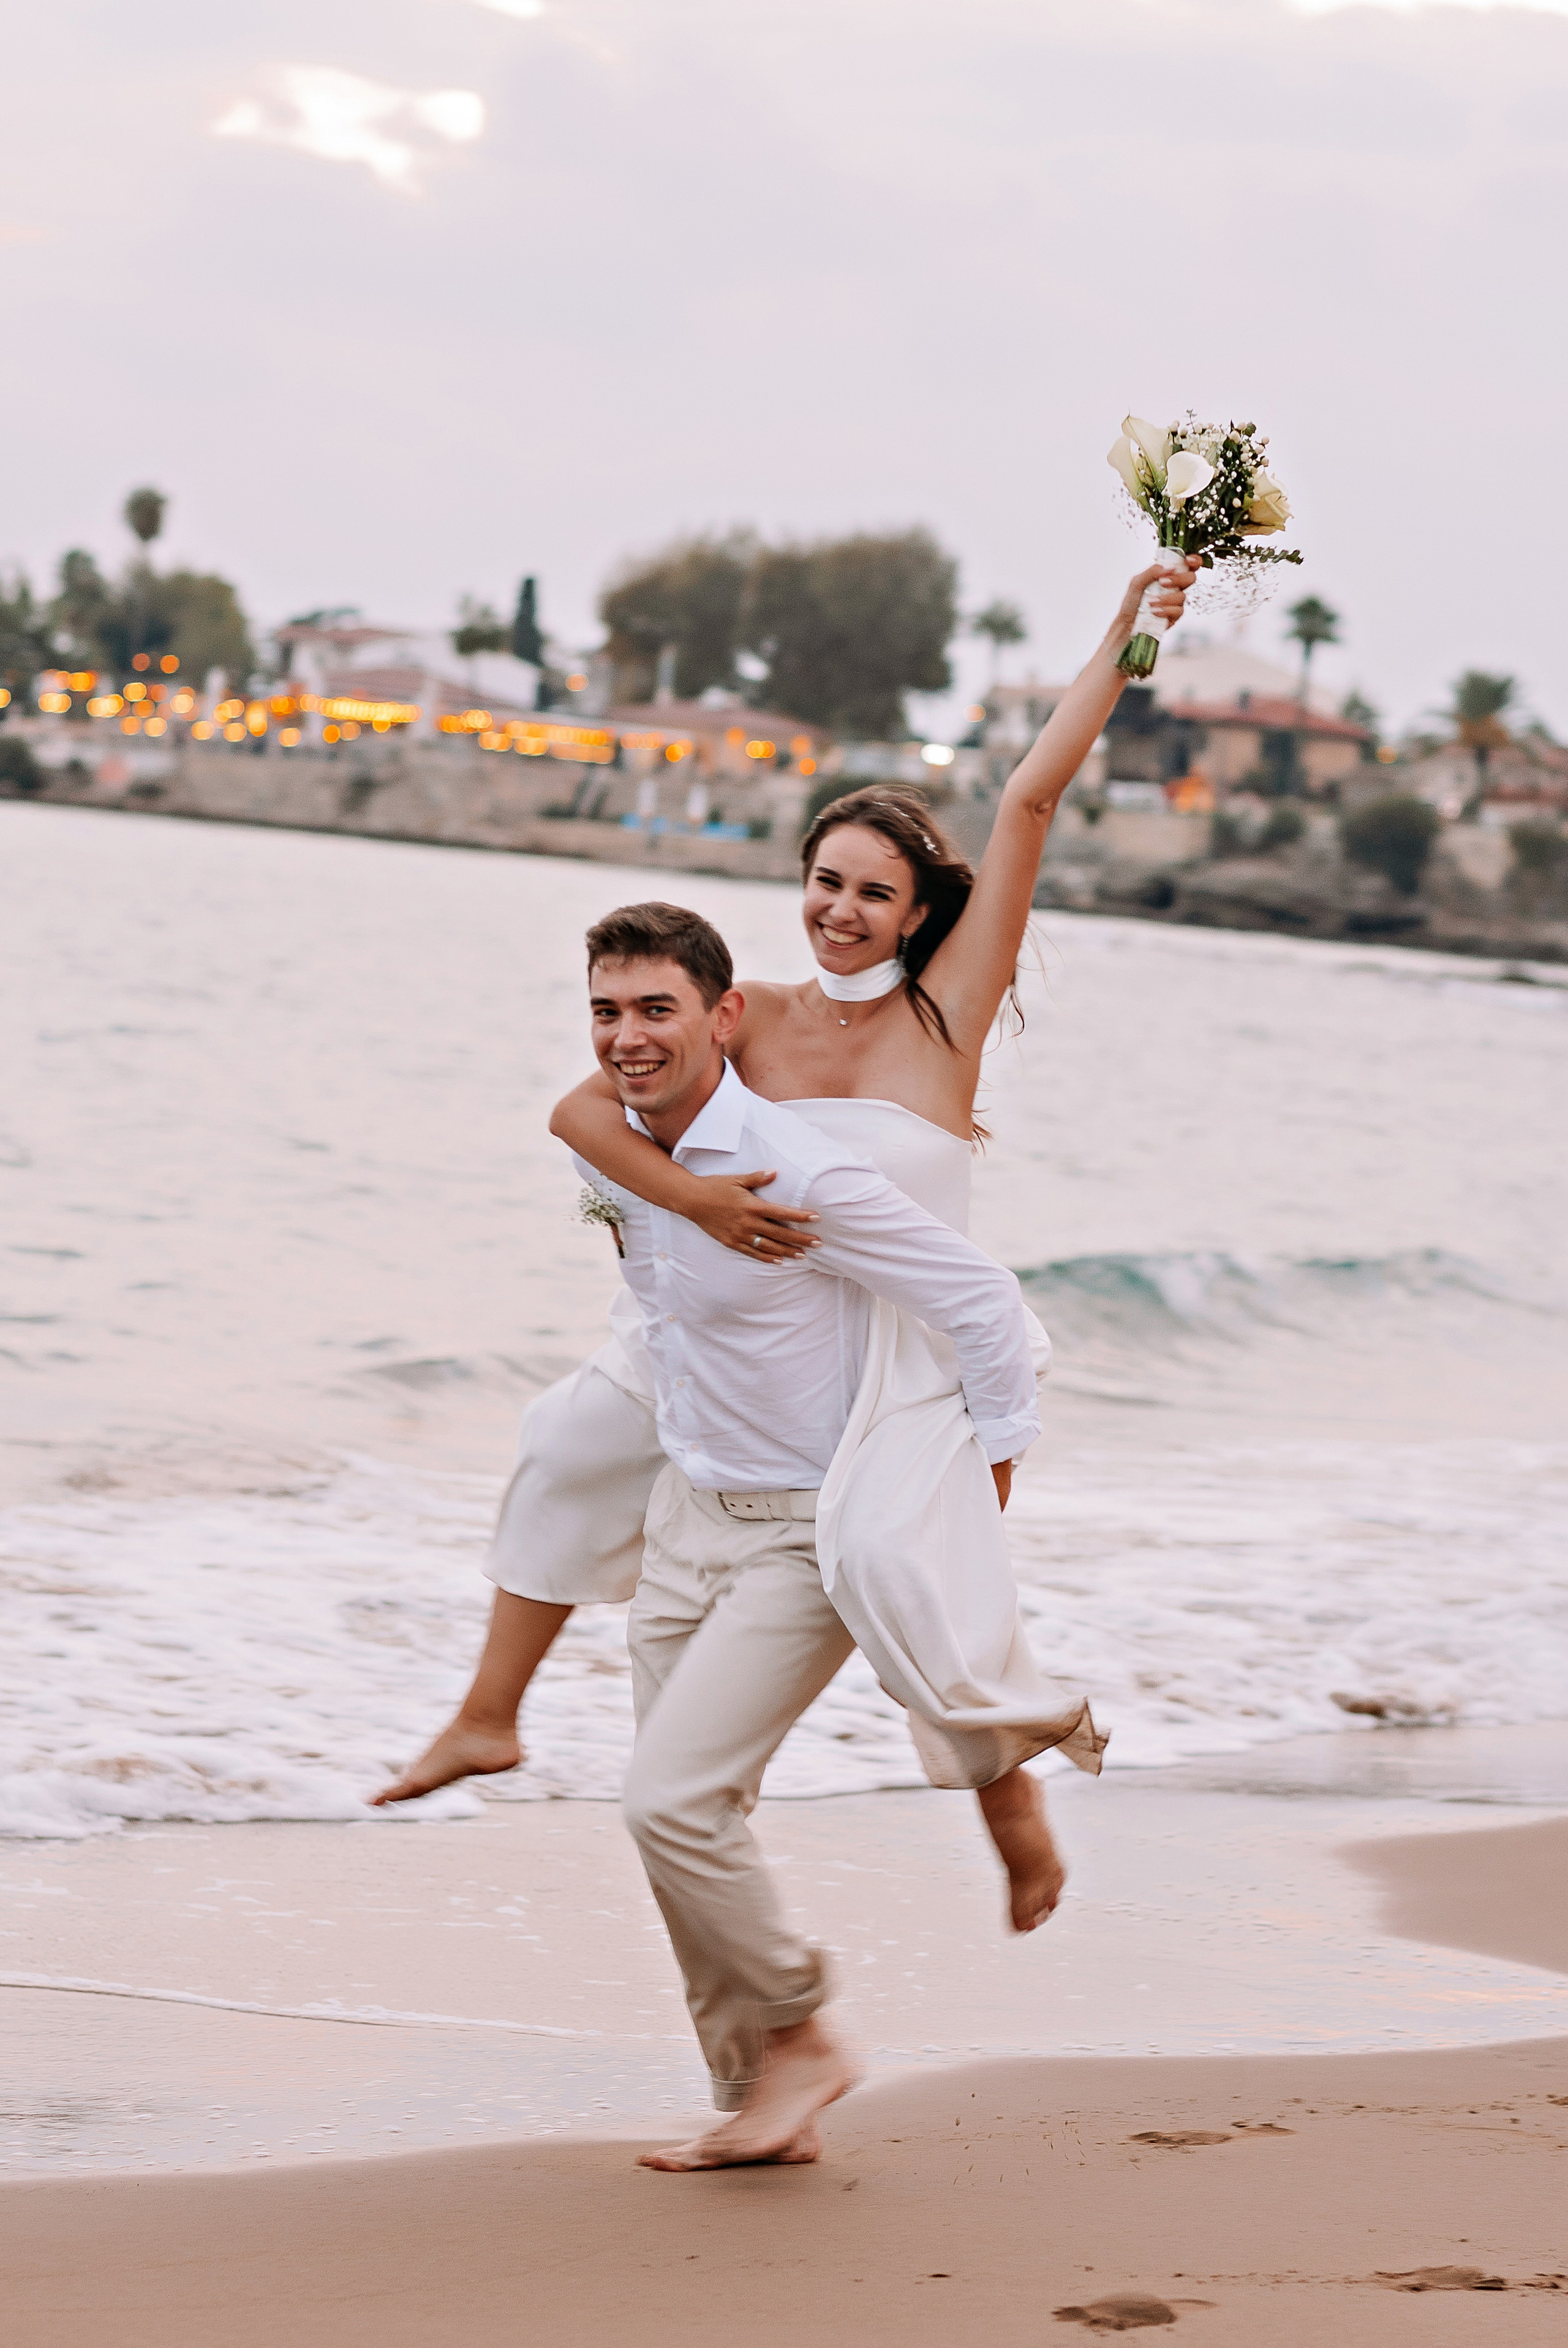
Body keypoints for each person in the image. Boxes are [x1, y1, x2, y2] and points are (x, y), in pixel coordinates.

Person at [375, 557, 1193, 1923]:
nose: (838, 910)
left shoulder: (946, 1016)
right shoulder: (742, 1008)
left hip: (901, 1350)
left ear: (917, 909)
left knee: (911, 1593)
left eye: (871, 892)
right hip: (739, 1322)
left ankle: (1015, 1816)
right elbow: (586, 1105)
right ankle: (486, 1714)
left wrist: (1125, 631)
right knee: (564, 1444)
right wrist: (694, 1204)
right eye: (822, 881)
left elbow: (1028, 797)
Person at [572, 903, 1047, 2169]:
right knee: (692, 1810)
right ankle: (755, 2091)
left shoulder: (799, 1170)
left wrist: (983, 1479)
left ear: (724, 1018)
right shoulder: (616, 1151)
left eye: (654, 1009)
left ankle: (803, 2038)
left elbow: (979, 1300)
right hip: (687, 1518)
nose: (626, 1037)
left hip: (799, 1535)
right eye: (607, 1012)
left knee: (663, 1803)